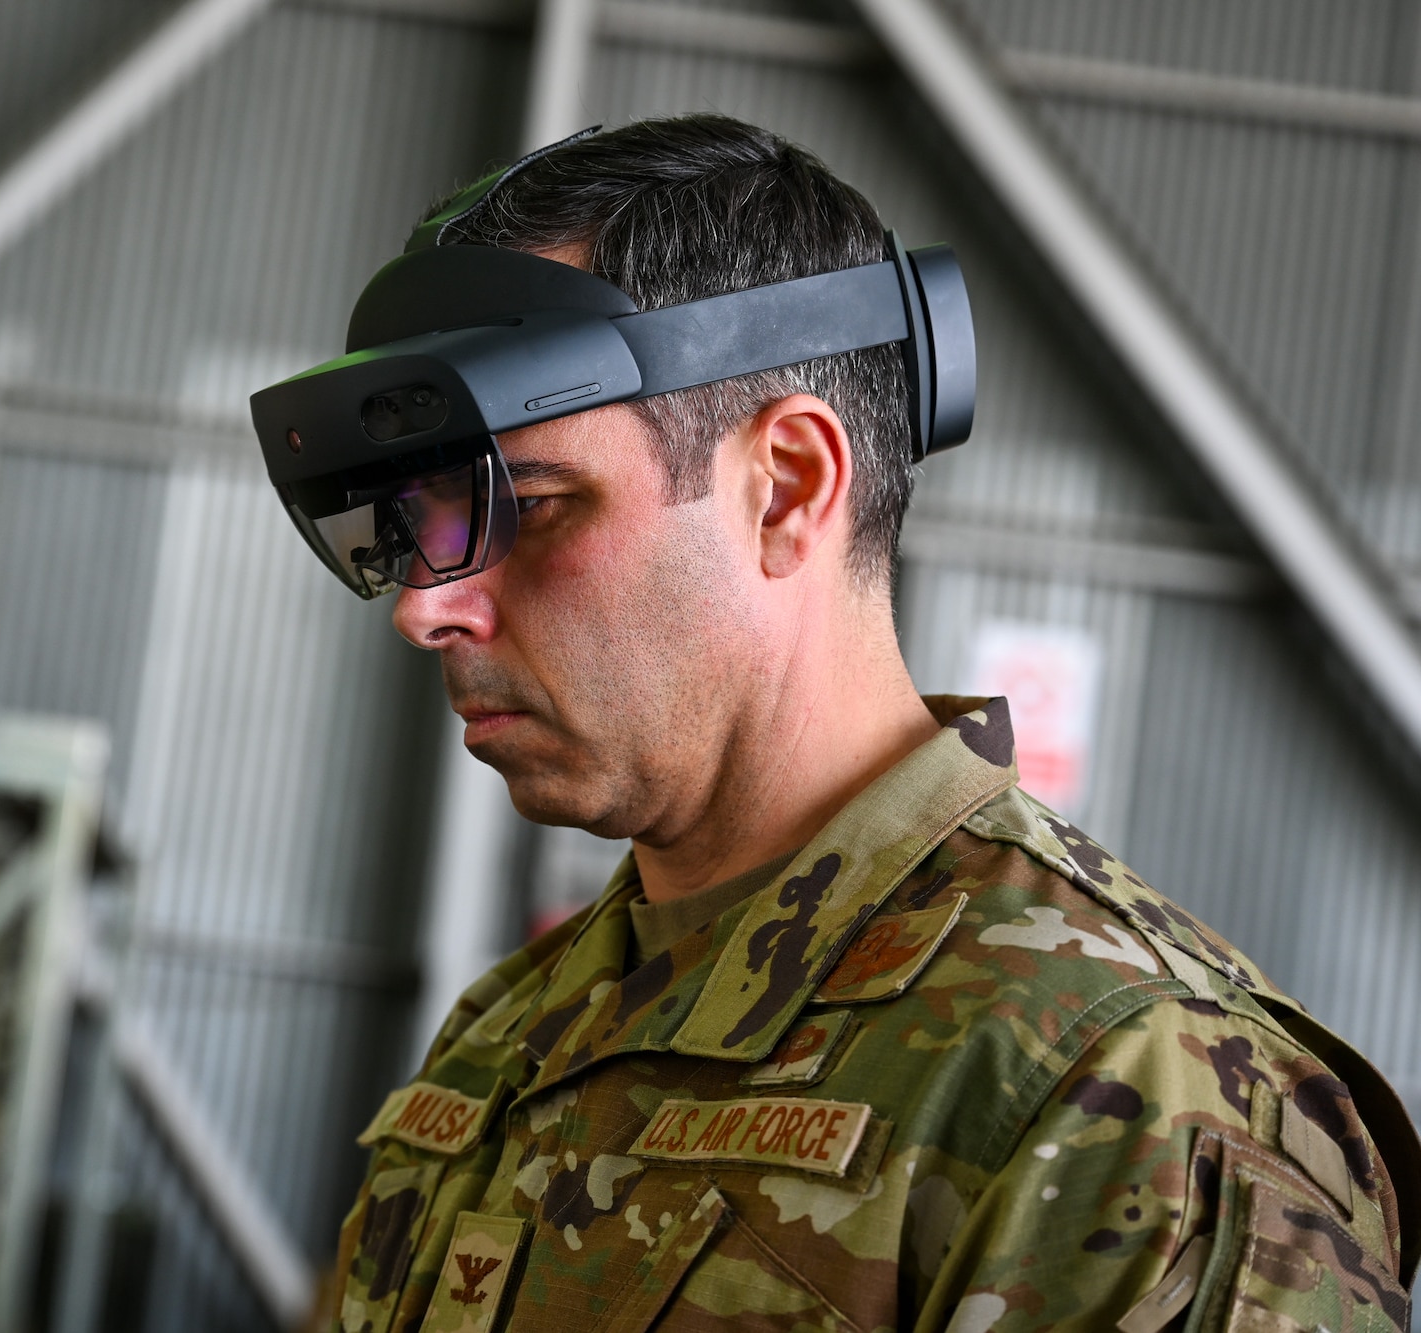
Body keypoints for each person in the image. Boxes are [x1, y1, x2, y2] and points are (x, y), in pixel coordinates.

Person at [306, 116, 1419, 1331]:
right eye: (418, 529)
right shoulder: (513, 1030)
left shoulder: (1123, 1092)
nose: (427, 609)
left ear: (785, 486)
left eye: (525, 507)